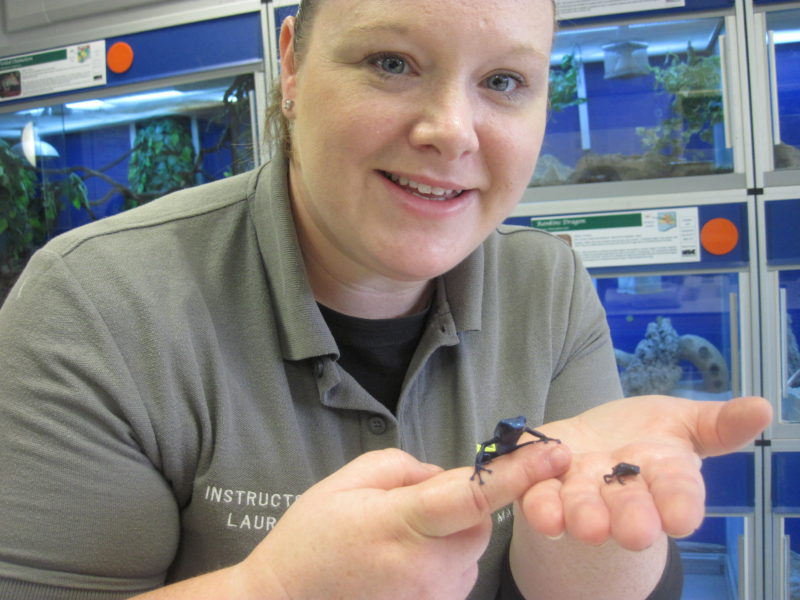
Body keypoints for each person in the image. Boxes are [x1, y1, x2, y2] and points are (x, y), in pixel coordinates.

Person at [0, 0, 772, 598]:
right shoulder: (94, 305)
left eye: (504, 81)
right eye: (392, 62)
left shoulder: (549, 288)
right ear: (293, 68)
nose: (450, 131)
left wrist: (595, 529)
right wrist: (267, 588)